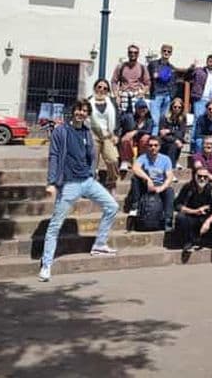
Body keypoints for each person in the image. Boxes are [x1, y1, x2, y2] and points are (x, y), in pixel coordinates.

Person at [39, 99, 118, 282]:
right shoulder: (61, 131)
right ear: (73, 111)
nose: (81, 113)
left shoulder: (86, 132)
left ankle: (99, 244)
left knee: (112, 206)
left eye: (84, 111)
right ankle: (46, 264)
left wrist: (91, 172)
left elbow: (91, 154)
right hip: (68, 184)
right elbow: (54, 156)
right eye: (78, 110)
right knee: (55, 225)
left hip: (87, 181)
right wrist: (51, 182)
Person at [131, 135, 176, 231]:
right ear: (147, 147)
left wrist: (161, 188)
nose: (153, 148)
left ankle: (168, 220)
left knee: (170, 191)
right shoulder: (143, 157)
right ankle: (135, 206)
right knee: (135, 178)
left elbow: (169, 177)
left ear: (159, 147)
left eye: (156, 145)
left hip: (160, 185)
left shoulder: (165, 159)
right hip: (146, 185)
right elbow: (135, 168)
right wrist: (148, 179)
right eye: (150, 145)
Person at [175, 166, 212, 258]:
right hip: (191, 218)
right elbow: (177, 205)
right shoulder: (188, 187)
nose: (202, 179)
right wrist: (194, 211)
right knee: (180, 217)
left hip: (205, 220)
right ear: (194, 176)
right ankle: (188, 242)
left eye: (205, 177)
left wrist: (207, 210)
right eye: (199, 176)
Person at [87, 78, 120, 193]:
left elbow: (117, 118)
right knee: (92, 160)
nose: (102, 90)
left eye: (105, 88)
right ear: (95, 87)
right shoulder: (89, 101)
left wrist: (116, 134)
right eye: (99, 87)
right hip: (93, 133)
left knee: (112, 159)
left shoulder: (111, 102)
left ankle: (111, 182)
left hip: (108, 134)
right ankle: (90, 184)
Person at [111, 44, 150, 115]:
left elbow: (147, 83)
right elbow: (114, 81)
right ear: (128, 53)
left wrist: (143, 92)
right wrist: (116, 96)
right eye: (130, 52)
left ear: (138, 54)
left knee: (136, 117)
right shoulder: (121, 67)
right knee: (122, 116)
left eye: (135, 52)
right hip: (123, 95)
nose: (133, 54)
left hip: (136, 95)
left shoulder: (142, 67)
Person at [148, 43, 178, 133]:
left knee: (163, 121)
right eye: (164, 51)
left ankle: (160, 142)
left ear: (171, 54)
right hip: (156, 95)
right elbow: (149, 77)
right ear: (161, 51)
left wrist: (171, 95)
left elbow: (173, 82)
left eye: (169, 52)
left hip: (167, 96)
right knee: (155, 121)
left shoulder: (171, 68)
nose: (166, 53)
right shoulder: (153, 64)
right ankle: (153, 139)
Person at [118, 99, 154, 171]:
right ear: (136, 109)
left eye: (144, 108)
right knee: (126, 138)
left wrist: (136, 132)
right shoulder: (130, 118)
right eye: (140, 108)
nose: (142, 110)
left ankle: (142, 160)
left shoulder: (149, 120)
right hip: (131, 141)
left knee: (146, 138)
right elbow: (121, 126)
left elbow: (149, 131)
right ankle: (126, 161)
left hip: (142, 142)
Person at [187, 54, 212, 120]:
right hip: (200, 99)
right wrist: (191, 68)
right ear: (207, 62)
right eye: (210, 61)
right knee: (198, 119)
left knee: (208, 120)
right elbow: (187, 77)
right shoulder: (199, 71)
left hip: (210, 101)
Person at [158, 97, 186, 168]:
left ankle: (173, 163)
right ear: (171, 107)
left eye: (179, 107)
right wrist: (174, 139)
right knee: (174, 144)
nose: (177, 109)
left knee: (178, 142)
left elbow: (181, 133)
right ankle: (172, 166)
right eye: (175, 107)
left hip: (175, 141)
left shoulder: (182, 118)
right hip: (164, 142)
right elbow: (162, 135)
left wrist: (169, 131)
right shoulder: (164, 118)